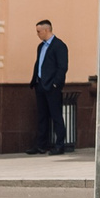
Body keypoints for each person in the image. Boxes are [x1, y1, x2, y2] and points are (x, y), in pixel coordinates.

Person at [29, 19, 69, 154]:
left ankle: (59, 145)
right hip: (40, 85)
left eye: (39, 31)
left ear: (47, 30)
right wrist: (35, 80)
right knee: (42, 116)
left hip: (52, 86)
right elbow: (39, 64)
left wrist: (55, 83)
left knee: (56, 115)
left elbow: (62, 67)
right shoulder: (41, 46)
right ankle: (41, 145)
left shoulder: (59, 46)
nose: (37, 34)